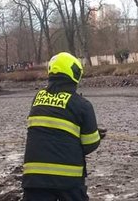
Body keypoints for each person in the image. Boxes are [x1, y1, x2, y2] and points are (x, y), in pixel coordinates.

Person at [22, 52, 103, 201]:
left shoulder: (37, 98)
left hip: (34, 179)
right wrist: (97, 136)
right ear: (75, 75)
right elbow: (90, 145)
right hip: (69, 180)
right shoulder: (82, 105)